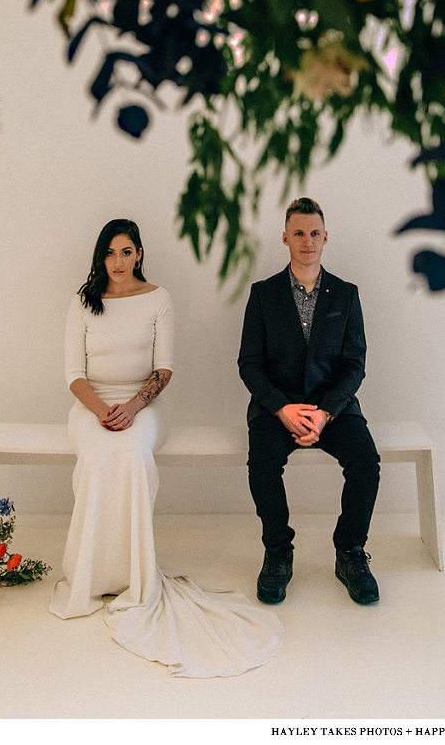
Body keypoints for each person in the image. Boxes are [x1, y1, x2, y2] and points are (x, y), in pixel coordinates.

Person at [49, 218, 283, 677]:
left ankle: (135, 578)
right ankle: (94, 576)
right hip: (92, 406)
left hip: (144, 405)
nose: (118, 261)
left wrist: (134, 406)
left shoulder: (158, 299)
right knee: (98, 457)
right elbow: (73, 374)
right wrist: (101, 410)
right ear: (101, 256)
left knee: (132, 455)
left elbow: (165, 368)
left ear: (139, 254)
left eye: (127, 251)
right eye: (110, 252)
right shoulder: (83, 302)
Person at [238, 196, 381, 607]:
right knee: (262, 462)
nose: (307, 241)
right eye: (298, 233)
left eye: (314, 233)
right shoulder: (263, 295)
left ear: (325, 237)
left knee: (366, 462)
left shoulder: (347, 295)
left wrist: (325, 412)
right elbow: (249, 363)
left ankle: (350, 552)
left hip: (332, 408)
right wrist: (282, 409)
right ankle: (278, 551)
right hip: (276, 406)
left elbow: (355, 364)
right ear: (285, 238)